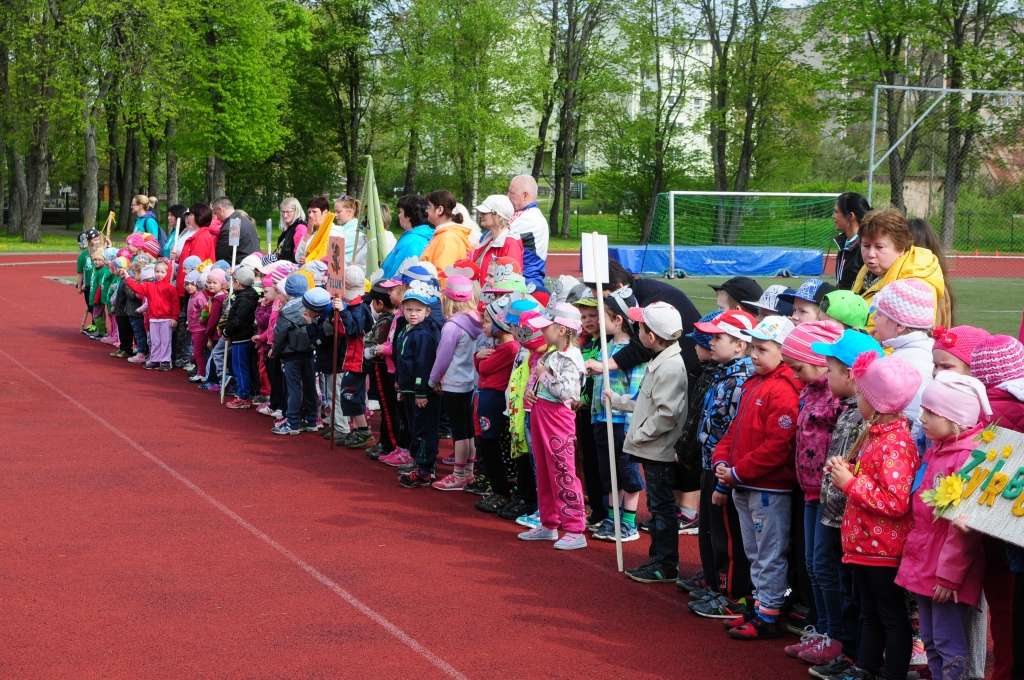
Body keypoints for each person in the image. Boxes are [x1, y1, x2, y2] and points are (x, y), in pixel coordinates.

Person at [824, 353, 922, 680]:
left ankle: (892, 673)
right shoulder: (877, 435)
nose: (858, 397)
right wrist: (848, 472)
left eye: (863, 394)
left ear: (878, 403)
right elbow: (876, 481)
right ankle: (865, 667)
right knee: (870, 611)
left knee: (890, 615)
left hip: (883, 548)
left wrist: (850, 483)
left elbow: (895, 502)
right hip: (866, 544)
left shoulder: (895, 443)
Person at [897, 372, 990, 680]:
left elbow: (963, 532)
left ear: (956, 420)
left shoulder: (966, 459)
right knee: (932, 640)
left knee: (948, 641)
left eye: (931, 412)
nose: (921, 418)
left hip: (945, 573)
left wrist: (949, 576)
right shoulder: (938, 449)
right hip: (927, 562)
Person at [712, 315, 801, 640]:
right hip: (744, 483)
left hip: (768, 488)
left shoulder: (783, 390)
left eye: (762, 349)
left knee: (769, 553)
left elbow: (778, 445)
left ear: (783, 352)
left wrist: (737, 470)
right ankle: (760, 605)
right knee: (754, 552)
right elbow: (734, 430)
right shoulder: (755, 384)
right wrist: (722, 461)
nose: (753, 354)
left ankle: (769, 613)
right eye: (753, 348)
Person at [806, 329, 885, 677]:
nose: (826, 375)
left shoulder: (863, 418)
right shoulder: (849, 411)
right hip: (836, 511)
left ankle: (848, 649)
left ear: (852, 375)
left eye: (831, 370)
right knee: (836, 577)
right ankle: (841, 644)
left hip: (845, 517)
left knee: (848, 586)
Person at [598, 302, 686, 580]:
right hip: (652, 447)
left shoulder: (669, 367)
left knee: (661, 509)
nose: (637, 332)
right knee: (658, 508)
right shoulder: (661, 361)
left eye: (641, 328)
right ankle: (658, 559)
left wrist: (639, 434)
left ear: (652, 335)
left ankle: (665, 563)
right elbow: (645, 402)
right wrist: (619, 401)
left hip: (658, 449)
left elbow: (666, 414)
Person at [779, 321, 845, 665]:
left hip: (828, 493)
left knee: (823, 564)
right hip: (808, 489)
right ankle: (822, 628)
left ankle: (835, 634)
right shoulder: (808, 392)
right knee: (811, 564)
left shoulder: (837, 397)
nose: (795, 375)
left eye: (798, 368)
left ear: (821, 363)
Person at [685, 309, 756, 618]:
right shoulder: (723, 374)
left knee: (727, 536)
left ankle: (731, 594)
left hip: (724, 469)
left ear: (739, 345)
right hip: (711, 463)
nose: (711, 343)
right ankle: (715, 583)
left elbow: (733, 430)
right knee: (712, 530)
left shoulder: (740, 380)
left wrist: (723, 465)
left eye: (718, 338)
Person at [517, 302, 588, 550]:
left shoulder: (571, 358)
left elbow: (568, 393)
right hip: (541, 413)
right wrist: (532, 391)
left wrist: (544, 376)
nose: (542, 331)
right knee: (544, 470)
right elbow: (541, 382)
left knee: (562, 470)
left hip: (557, 419)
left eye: (547, 327)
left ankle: (575, 528)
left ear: (561, 329)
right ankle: (549, 523)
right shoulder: (552, 353)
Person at [589, 287, 646, 544]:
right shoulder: (607, 346)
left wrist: (629, 419)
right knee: (609, 474)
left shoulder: (633, 352)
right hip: (603, 419)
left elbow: (636, 389)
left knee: (628, 473)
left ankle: (629, 523)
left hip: (623, 422)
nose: (597, 321)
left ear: (618, 319)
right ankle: (612, 518)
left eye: (602, 316)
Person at [852, 208, 950, 331]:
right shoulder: (868, 271)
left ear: (901, 248)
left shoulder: (915, 286)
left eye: (879, 247)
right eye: (866, 246)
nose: (871, 254)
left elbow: (906, 337)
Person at [428, 275, 483, 490]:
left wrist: (433, 379)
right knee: (468, 429)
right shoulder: (477, 320)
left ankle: (459, 474)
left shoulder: (452, 326)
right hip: (472, 382)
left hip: (454, 383)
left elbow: (443, 357)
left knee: (459, 431)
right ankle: (468, 471)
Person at [473, 298, 521, 512]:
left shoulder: (509, 348)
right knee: (489, 445)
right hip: (489, 399)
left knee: (492, 445)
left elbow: (484, 369)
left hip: (494, 400)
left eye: (486, 321)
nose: (483, 325)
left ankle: (501, 490)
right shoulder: (502, 346)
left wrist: (477, 358)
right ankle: (498, 488)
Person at [395, 279, 444, 488]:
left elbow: (423, 364)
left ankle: (425, 469)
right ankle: (420, 463)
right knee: (415, 428)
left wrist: (421, 391)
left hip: (422, 392)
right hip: (410, 389)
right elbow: (403, 360)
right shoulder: (407, 330)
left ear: (427, 311)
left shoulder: (424, 334)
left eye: (418, 310)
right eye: (409, 309)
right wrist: (401, 384)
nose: (413, 314)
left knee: (424, 429)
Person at [871, 278, 937, 429]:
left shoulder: (900, 363)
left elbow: (912, 416)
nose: (874, 318)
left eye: (879, 314)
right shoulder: (929, 350)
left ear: (899, 325)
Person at [324, 266, 375, 447]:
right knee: (350, 394)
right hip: (352, 357)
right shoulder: (356, 305)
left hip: (357, 359)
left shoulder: (359, 307)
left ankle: (363, 431)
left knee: (350, 394)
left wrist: (343, 312)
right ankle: (360, 429)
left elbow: (353, 330)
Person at [271, 283, 325, 435]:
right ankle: (311, 420)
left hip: (291, 353)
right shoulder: (317, 307)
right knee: (309, 386)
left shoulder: (286, 310)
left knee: (294, 388)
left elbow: (280, 334)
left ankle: (293, 422)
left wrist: (275, 351)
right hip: (309, 352)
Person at [364, 283, 402, 460]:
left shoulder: (387, 320)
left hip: (382, 365)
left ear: (379, 302)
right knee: (388, 407)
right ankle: (387, 442)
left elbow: (377, 342)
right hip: (384, 365)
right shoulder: (391, 317)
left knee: (388, 407)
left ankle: (389, 444)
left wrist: (370, 349)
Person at [121, 259, 180, 371]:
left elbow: (175, 304)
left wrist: (174, 318)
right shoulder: (149, 286)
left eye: (162, 272)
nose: (159, 274)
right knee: (155, 341)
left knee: (165, 341)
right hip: (153, 319)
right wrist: (127, 277)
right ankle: (155, 360)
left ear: (167, 273)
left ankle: (165, 361)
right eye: (157, 271)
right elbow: (136, 287)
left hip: (166, 319)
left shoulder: (171, 288)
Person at [222, 266, 260, 409]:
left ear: (238, 282)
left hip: (241, 337)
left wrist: (227, 331)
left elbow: (237, 319)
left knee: (239, 368)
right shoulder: (249, 295)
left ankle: (243, 396)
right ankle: (246, 393)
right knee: (243, 367)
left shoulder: (244, 299)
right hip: (243, 335)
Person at [506, 175, 549, 288]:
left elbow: (498, 237)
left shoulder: (531, 218)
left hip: (526, 284)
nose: (507, 196)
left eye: (511, 193)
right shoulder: (522, 214)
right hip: (516, 280)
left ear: (525, 195)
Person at [379, 195, 434, 280]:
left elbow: (398, 274)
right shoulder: (419, 235)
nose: (398, 215)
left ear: (409, 215)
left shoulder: (412, 241)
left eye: (400, 212)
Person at [420, 190, 473, 275]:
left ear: (440, 210)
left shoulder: (448, 238)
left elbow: (444, 275)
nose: (426, 211)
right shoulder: (444, 235)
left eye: (429, 207)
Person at [472, 195, 523, 283]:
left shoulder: (511, 244)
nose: (480, 215)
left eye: (484, 213)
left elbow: (510, 283)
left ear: (497, 215)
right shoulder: (488, 240)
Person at [173, 203, 217, 296]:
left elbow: (196, 266)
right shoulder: (198, 235)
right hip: (189, 286)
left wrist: (189, 286)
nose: (188, 217)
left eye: (191, 214)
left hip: (192, 288)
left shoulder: (201, 238)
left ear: (199, 216)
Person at [833, 192, 871, 290]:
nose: (833, 216)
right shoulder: (845, 244)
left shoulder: (865, 248)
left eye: (836, 212)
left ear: (850, 216)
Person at [212, 197, 259, 262]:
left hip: (241, 264)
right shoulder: (245, 220)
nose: (216, 217)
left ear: (220, 210)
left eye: (216, 213)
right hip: (253, 260)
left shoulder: (231, 226)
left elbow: (221, 255)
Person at [184, 271, 209, 380]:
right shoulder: (192, 296)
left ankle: (201, 374)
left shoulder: (199, 297)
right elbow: (192, 313)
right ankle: (200, 371)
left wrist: (202, 319)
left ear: (197, 285)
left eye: (192, 284)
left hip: (200, 329)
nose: (189, 287)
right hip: (194, 329)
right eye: (187, 284)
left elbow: (206, 309)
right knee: (197, 352)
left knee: (198, 352)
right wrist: (189, 323)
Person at [295, 197, 331, 265]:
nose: (310, 215)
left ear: (325, 213)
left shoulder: (334, 232)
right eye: (309, 212)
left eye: (314, 212)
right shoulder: (312, 233)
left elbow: (333, 263)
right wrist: (308, 234)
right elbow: (298, 258)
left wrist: (310, 260)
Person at [275, 197, 307, 263]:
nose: (285, 215)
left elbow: (298, 257)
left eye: (288, 212)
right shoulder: (288, 228)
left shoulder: (300, 229)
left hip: (291, 266)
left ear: (296, 211)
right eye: (283, 212)